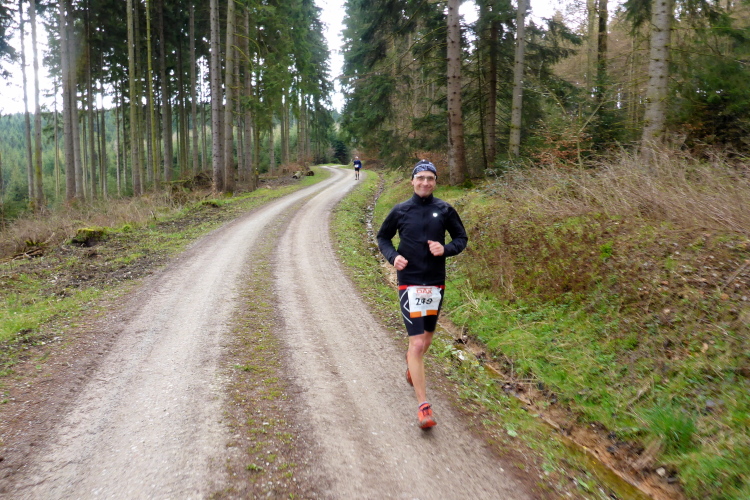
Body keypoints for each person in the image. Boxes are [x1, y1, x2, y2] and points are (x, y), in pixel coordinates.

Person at [377, 160, 468, 429]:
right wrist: (393, 257)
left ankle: (412, 367)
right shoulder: (401, 210)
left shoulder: (445, 209)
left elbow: (461, 238)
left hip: (436, 283)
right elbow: (383, 238)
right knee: (416, 344)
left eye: (430, 178)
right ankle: (423, 407)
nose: (425, 182)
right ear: (412, 181)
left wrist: (445, 249)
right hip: (410, 282)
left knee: (426, 340)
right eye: (421, 178)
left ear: (435, 182)